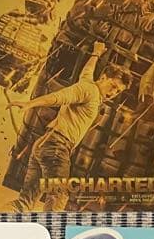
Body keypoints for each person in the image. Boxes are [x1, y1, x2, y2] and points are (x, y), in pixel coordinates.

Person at [8, 41, 129, 212]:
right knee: (59, 195)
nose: (113, 93)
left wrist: (96, 53)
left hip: (44, 145)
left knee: (26, 200)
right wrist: (30, 104)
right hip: (57, 147)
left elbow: (86, 71)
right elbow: (60, 97)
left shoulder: (88, 85)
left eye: (117, 92)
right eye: (113, 86)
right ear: (103, 77)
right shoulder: (90, 91)